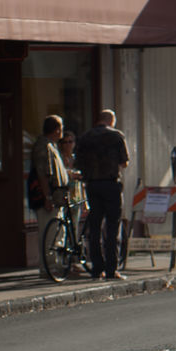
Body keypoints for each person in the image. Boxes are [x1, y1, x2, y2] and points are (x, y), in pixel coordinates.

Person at [74, 108, 129, 281]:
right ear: (111, 121)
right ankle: (112, 269)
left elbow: (79, 163)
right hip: (111, 184)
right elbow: (124, 162)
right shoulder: (116, 136)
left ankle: (97, 268)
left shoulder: (85, 137)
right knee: (112, 227)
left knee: (95, 226)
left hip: (92, 185)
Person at [31, 115, 68, 278]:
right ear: (56, 129)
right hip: (49, 197)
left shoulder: (51, 146)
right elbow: (43, 175)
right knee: (49, 232)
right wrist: (48, 197)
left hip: (57, 196)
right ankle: (48, 267)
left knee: (56, 231)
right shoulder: (43, 146)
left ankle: (55, 265)